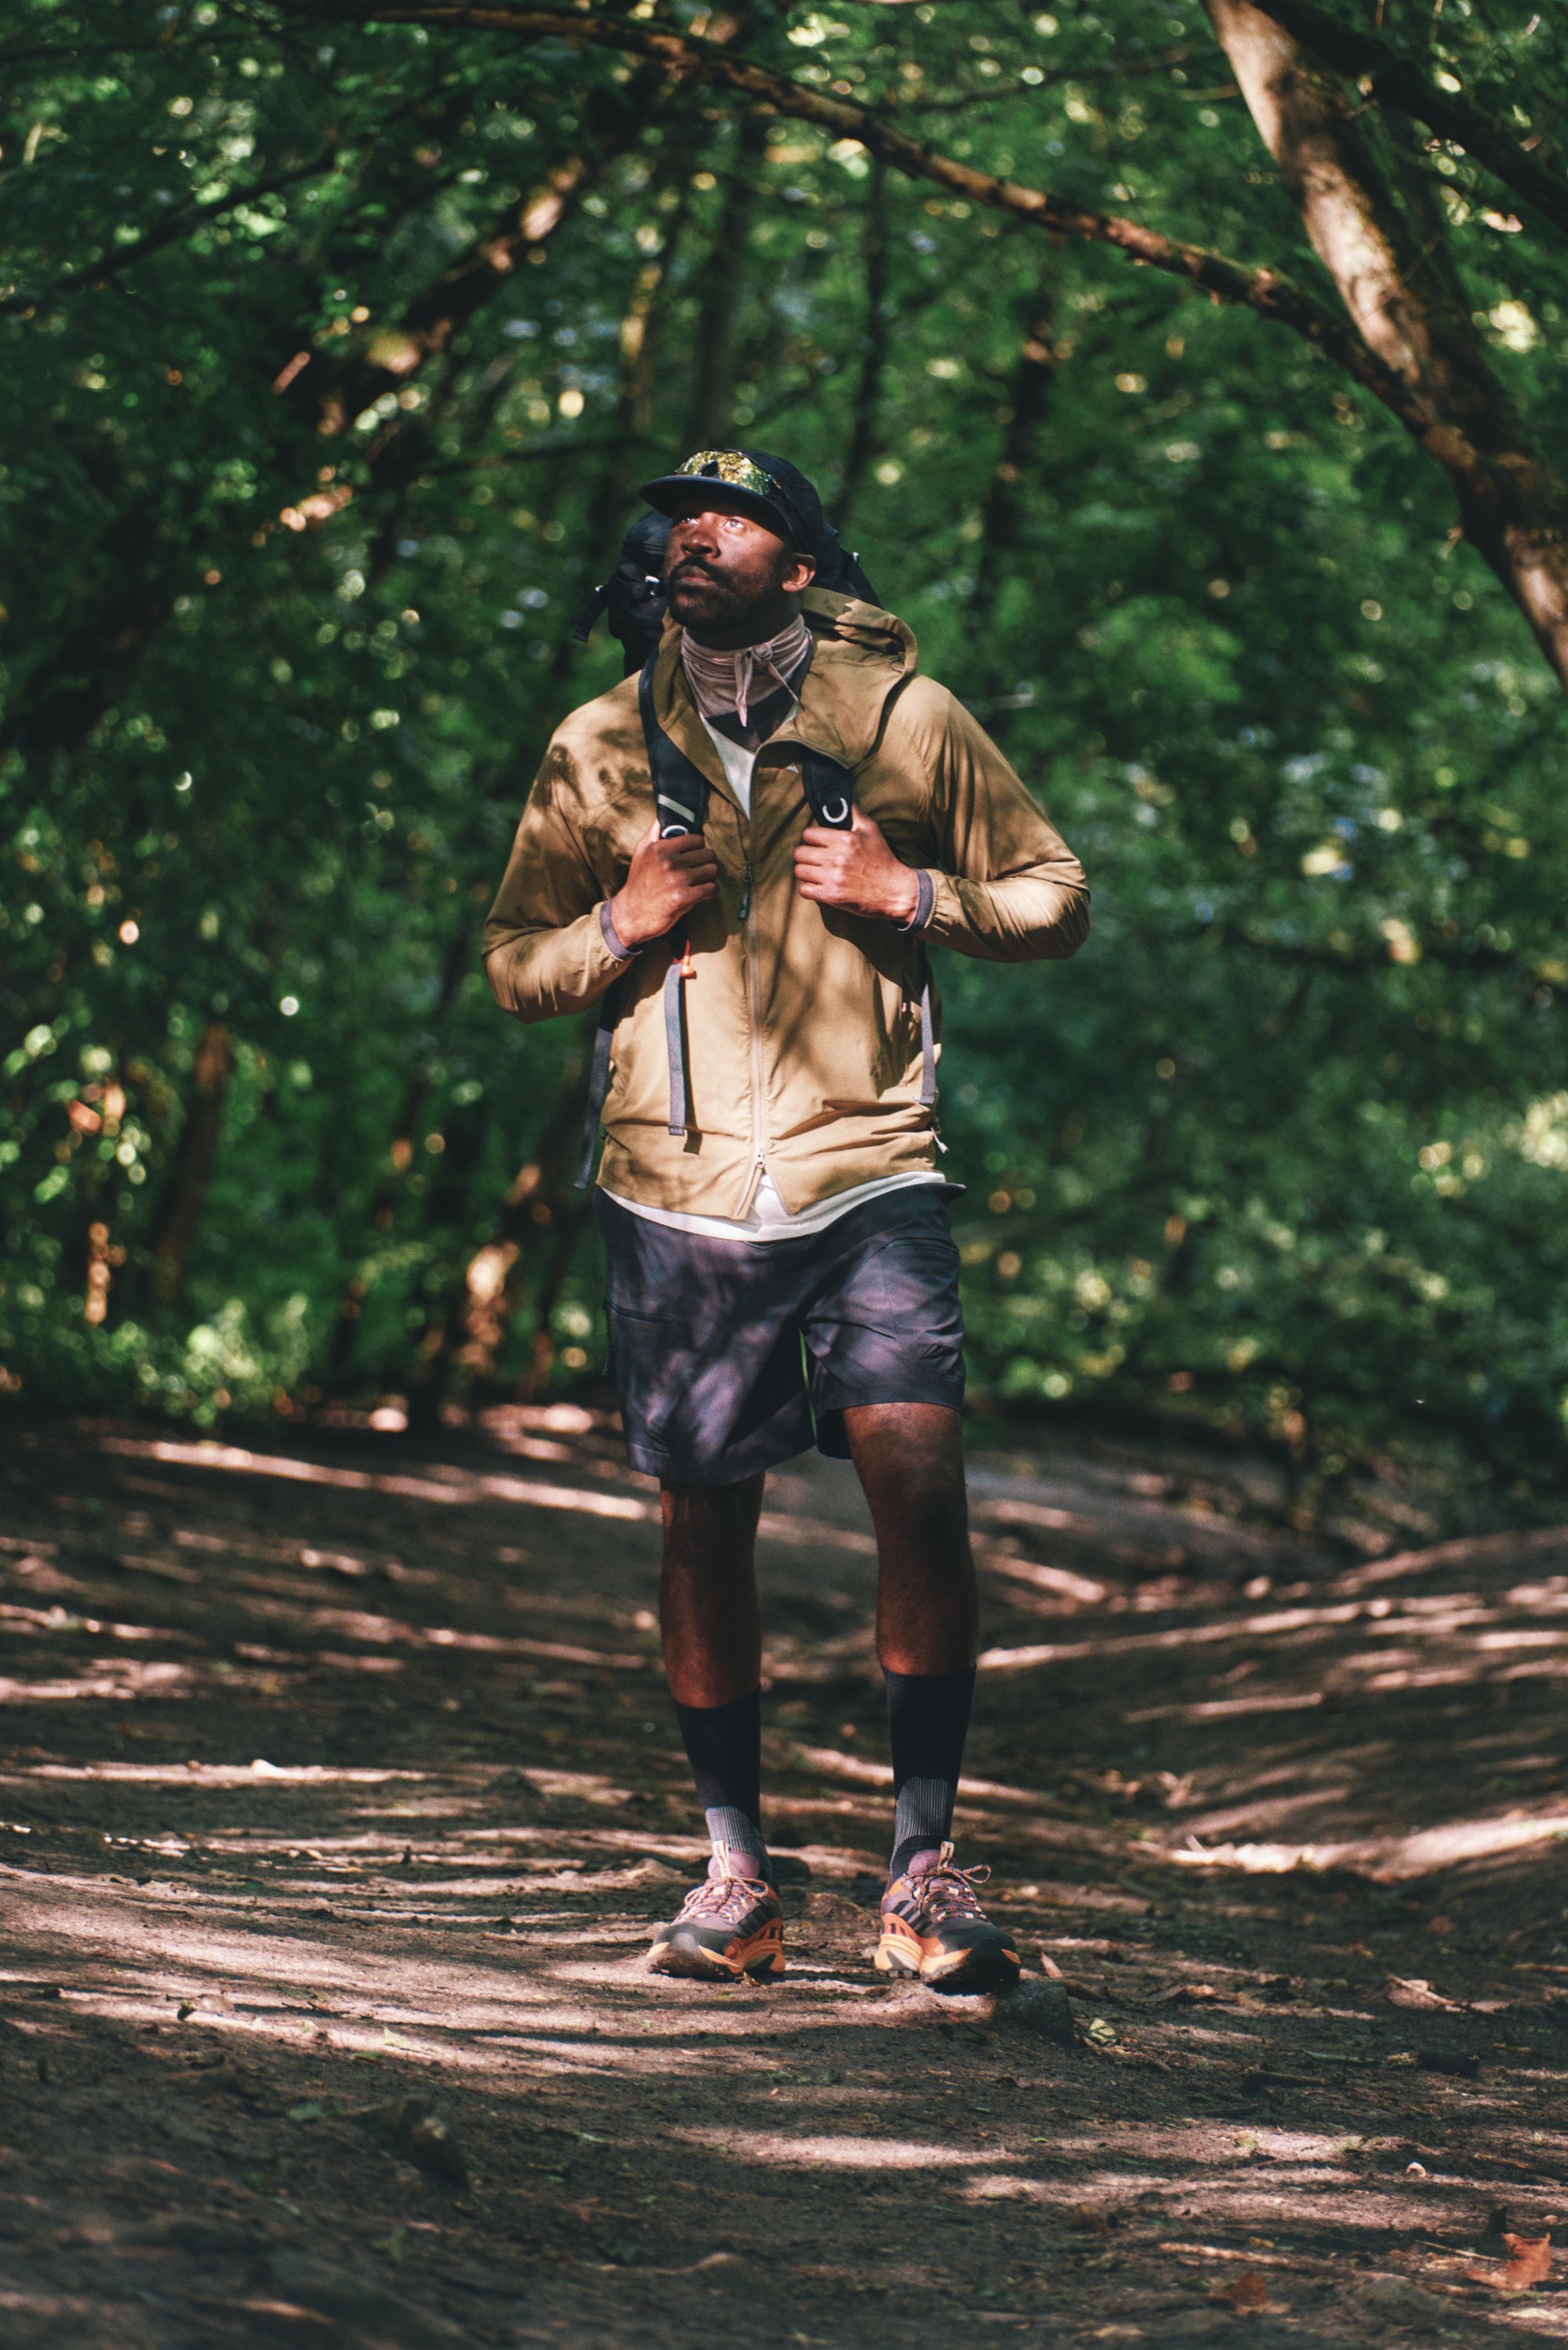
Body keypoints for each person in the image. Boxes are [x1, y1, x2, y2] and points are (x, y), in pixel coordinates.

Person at [484, 448, 1089, 1989]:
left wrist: (913, 897)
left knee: (917, 1470)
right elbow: (512, 958)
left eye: (735, 515)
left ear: (800, 565)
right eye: (681, 511)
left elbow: (1055, 893)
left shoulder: (906, 724)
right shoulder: (598, 745)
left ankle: (925, 1865)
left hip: (867, 1162)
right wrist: (612, 924)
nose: (697, 529)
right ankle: (735, 1869)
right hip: (675, 1188)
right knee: (704, 1523)